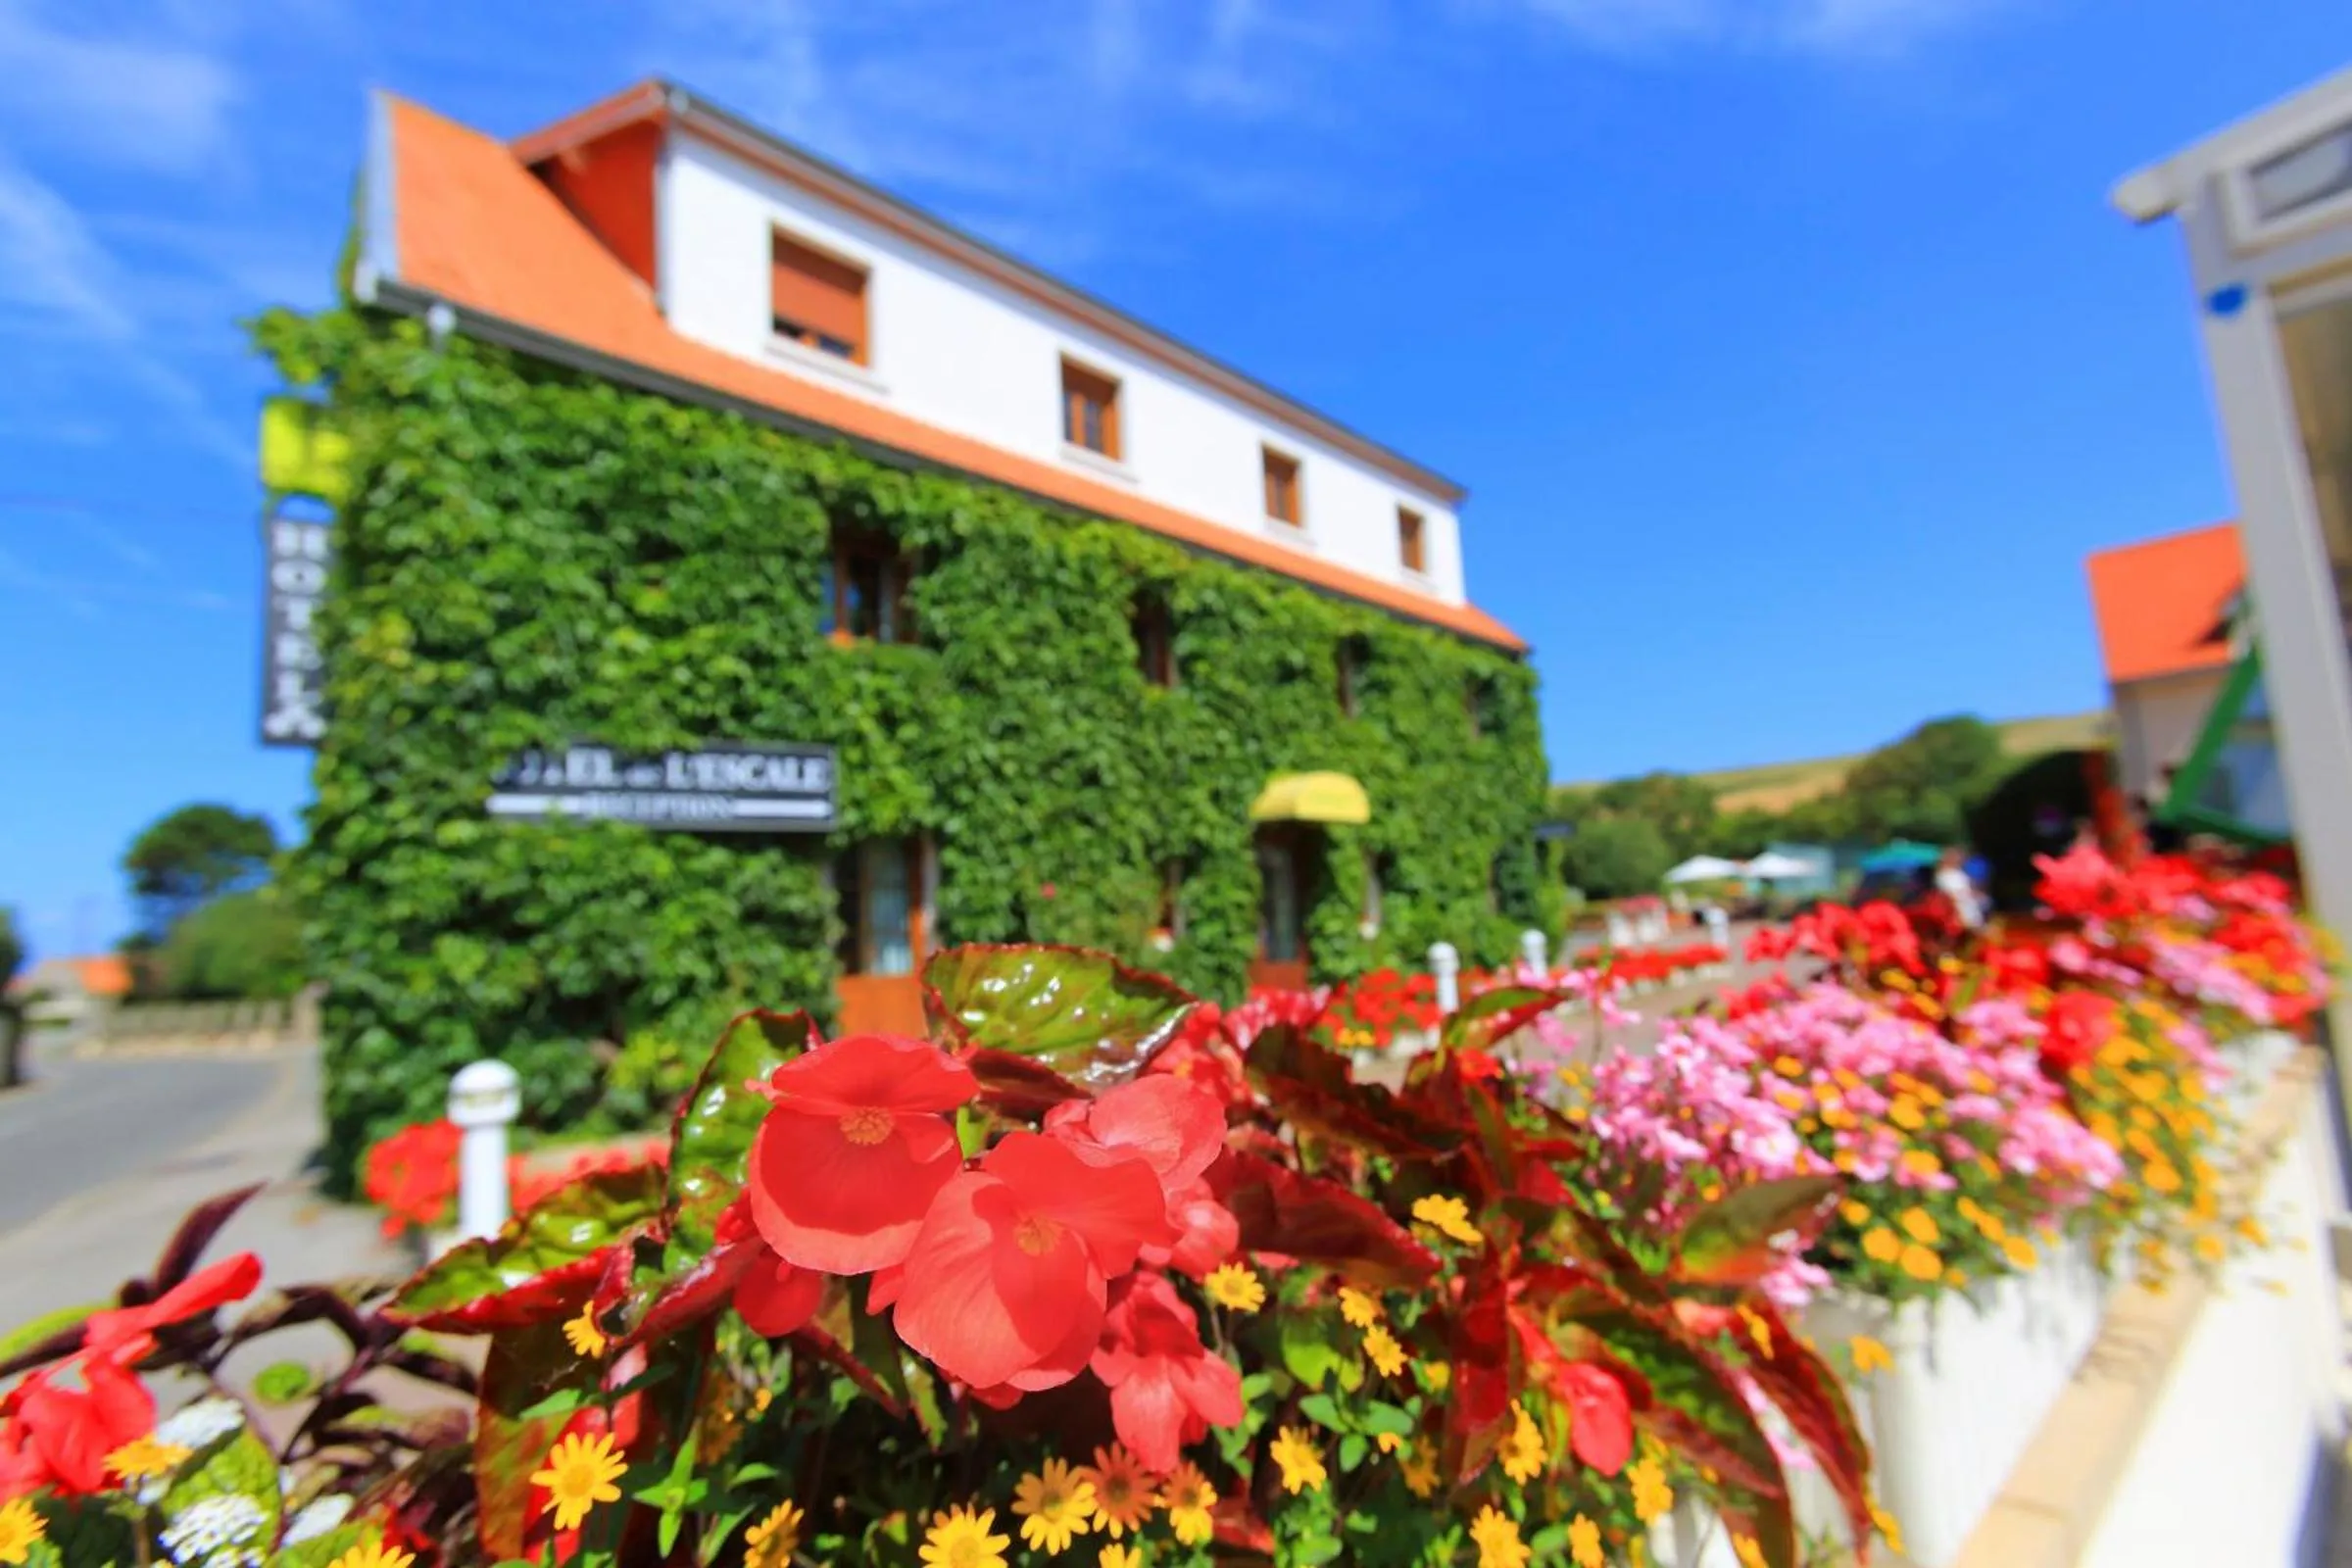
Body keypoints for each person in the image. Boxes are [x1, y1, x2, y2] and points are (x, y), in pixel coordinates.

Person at [1935, 846, 1984, 930]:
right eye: (1954, 857)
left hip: (1969, 906)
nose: (1958, 859)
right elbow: (1947, 895)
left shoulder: (1959, 873)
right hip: (1956, 909)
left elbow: (1967, 889)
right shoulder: (1943, 875)